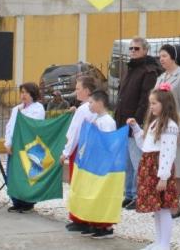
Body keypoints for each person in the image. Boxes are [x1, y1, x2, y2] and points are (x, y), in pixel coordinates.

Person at [126, 86, 180, 250]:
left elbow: (168, 152)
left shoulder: (169, 126)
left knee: (163, 208)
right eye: (150, 103)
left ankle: (165, 244)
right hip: (149, 167)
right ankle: (159, 241)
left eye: (154, 103)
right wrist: (136, 128)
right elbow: (144, 145)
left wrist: (163, 176)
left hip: (159, 170)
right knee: (156, 208)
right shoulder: (154, 124)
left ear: (165, 104)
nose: (151, 107)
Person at [115, 37, 161, 210]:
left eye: (136, 49)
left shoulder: (148, 71)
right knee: (126, 163)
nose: (133, 51)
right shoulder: (130, 69)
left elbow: (145, 100)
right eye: (131, 49)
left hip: (135, 125)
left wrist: (137, 123)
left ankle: (138, 194)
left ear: (145, 50)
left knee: (137, 162)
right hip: (122, 124)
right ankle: (129, 194)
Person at [80, 89, 120, 240]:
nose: (89, 105)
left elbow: (109, 143)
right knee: (94, 194)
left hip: (104, 164)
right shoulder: (97, 119)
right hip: (95, 164)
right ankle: (96, 222)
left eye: (91, 102)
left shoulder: (107, 121)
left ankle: (106, 226)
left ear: (100, 103)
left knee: (103, 195)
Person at [61, 76, 97, 232]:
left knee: (77, 184)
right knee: (86, 185)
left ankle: (80, 218)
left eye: (78, 89)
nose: (76, 91)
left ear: (87, 91)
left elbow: (74, 133)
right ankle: (84, 217)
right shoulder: (93, 107)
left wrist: (66, 152)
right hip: (91, 151)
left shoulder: (83, 109)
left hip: (80, 151)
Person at [4, 82, 46, 212]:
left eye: (26, 92)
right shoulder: (16, 109)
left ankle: (27, 202)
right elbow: (10, 127)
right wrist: (8, 142)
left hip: (29, 145)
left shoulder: (38, 108)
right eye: (22, 92)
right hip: (15, 144)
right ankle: (16, 200)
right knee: (13, 173)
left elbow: (32, 125)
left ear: (33, 94)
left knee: (27, 173)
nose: (23, 95)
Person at [155, 44, 180, 179]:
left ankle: (176, 200)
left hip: (175, 129)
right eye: (160, 56)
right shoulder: (161, 78)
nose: (161, 59)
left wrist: (178, 130)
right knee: (163, 168)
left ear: (174, 57)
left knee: (177, 170)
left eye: (164, 56)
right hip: (161, 129)